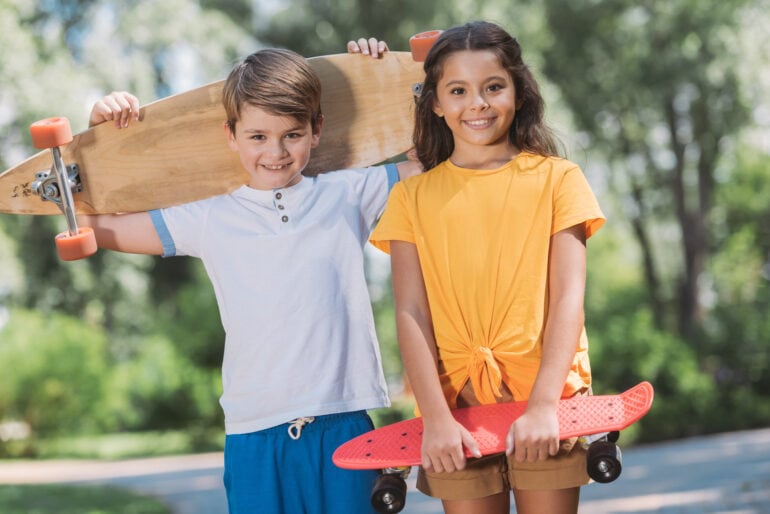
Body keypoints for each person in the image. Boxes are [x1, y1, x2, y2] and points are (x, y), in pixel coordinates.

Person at [81, 39, 421, 514]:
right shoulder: (207, 216)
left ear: (317, 129)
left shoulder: (349, 192)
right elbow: (98, 225)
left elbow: (428, 161)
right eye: (258, 136)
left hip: (344, 420)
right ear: (231, 134)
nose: (275, 152)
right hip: (255, 433)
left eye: (292, 135)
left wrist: (381, 76)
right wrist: (103, 140)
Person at [369, 21, 606, 514]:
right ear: (435, 102)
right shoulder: (411, 196)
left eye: (493, 87)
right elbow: (411, 312)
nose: (476, 103)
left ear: (518, 92)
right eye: (458, 90)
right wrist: (435, 417)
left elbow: (568, 298)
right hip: (457, 407)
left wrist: (543, 406)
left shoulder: (559, 180)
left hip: (546, 396)